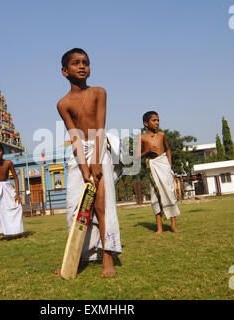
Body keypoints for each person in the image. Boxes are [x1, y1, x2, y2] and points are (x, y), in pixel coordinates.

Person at [55, 48, 122, 278]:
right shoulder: (63, 103)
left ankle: (107, 258)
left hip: (99, 147)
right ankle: (74, 258)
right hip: (79, 155)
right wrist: (84, 168)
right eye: (76, 63)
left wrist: (95, 162)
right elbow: (74, 136)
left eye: (86, 62)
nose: (82, 66)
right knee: (78, 207)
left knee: (102, 205)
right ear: (65, 71)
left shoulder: (98, 92)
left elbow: (100, 127)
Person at [137, 111, 181, 234]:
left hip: (164, 166)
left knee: (169, 193)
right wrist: (147, 152)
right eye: (154, 120)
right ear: (146, 123)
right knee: (155, 196)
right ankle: (159, 228)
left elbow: (168, 150)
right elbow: (136, 156)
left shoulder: (162, 135)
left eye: (158, 120)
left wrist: (169, 166)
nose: (157, 123)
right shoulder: (141, 138)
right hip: (152, 167)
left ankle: (173, 225)